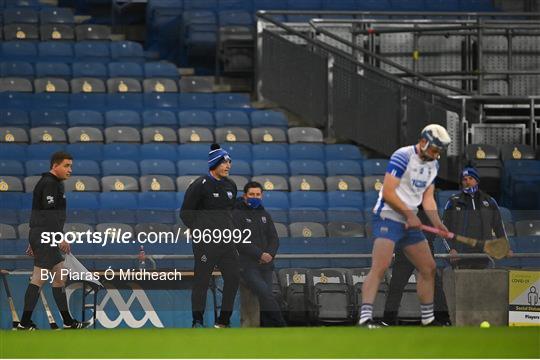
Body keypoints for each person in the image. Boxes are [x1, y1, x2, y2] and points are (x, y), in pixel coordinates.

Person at [358, 124, 451, 328]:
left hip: (410, 221)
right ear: (424, 142)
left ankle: (428, 319)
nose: (437, 154)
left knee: (428, 268)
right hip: (388, 216)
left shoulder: (433, 166)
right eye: (435, 149)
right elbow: (390, 193)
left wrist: (437, 222)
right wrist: (409, 214)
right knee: (380, 266)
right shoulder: (403, 156)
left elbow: (427, 199)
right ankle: (365, 318)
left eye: (439, 151)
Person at [19, 151, 89, 330]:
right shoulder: (50, 184)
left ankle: (66, 321)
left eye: (71, 166)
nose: (70, 170)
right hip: (46, 235)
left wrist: (34, 238)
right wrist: (59, 237)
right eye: (66, 165)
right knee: (39, 278)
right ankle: (25, 322)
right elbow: (49, 215)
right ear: (54, 165)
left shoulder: (52, 183)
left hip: (41, 235)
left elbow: (40, 214)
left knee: (58, 276)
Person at [180, 143, 239, 328]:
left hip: (227, 243)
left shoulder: (232, 186)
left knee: (234, 278)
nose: (228, 165)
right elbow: (185, 214)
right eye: (224, 162)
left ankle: (223, 321)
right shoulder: (199, 185)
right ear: (214, 164)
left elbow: (231, 214)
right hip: (206, 243)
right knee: (202, 282)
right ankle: (197, 320)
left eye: (229, 162)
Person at [382, 209, 451, 326]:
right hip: (405, 248)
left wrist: (432, 232)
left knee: (434, 283)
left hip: (424, 247)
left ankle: (443, 318)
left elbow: (432, 222)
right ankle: (388, 319)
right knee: (396, 284)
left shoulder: (425, 202)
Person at [232, 181, 286, 327]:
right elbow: (239, 240)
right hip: (247, 266)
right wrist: (260, 254)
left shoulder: (265, 215)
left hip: (266, 265)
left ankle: (268, 329)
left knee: (265, 297)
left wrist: (269, 254)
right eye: (251, 194)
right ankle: (282, 326)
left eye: (257, 194)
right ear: (245, 196)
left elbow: (274, 238)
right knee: (266, 294)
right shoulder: (237, 214)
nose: (254, 197)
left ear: (261, 196)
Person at [442, 166, 508, 269]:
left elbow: (499, 227)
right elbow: (443, 229)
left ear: (477, 181)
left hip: (484, 255)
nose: (467, 181)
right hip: (460, 256)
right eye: (464, 179)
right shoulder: (453, 202)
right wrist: (451, 249)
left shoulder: (489, 201)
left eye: (470, 178)